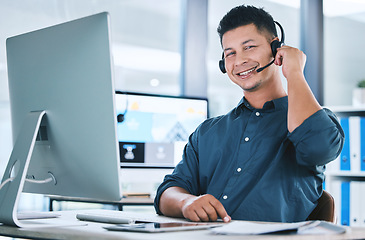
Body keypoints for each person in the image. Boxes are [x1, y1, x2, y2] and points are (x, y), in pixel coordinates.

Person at [154, 5, 344, 223]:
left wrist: (294, 72)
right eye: (230, 53)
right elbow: (168, 191)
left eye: (249, 47)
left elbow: (319, 148)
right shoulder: (207, 132)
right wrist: (185, 202)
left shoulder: (315, 121)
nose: (239, 61)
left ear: (276, 49)